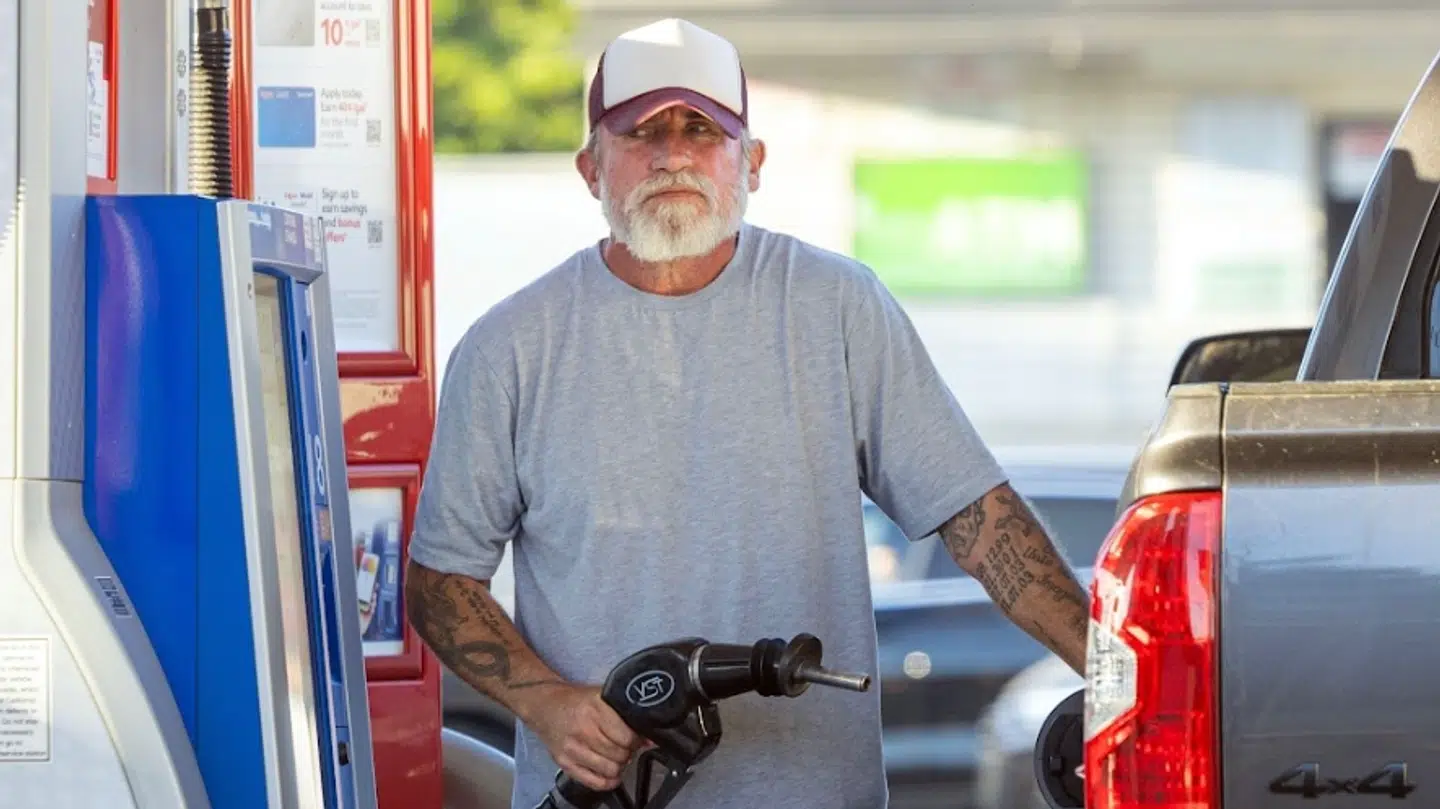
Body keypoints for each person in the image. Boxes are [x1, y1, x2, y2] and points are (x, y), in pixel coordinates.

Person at [404, 17, 1091, 809]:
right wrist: (549, 702)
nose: (671, 154)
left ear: (751, 163)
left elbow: (978, 519)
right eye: (640, 132)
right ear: (590, 167)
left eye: (701, 128)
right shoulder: (509, 347)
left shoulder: (836, 307)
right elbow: (439, 581)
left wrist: (1122, 676)